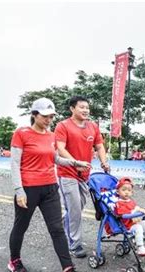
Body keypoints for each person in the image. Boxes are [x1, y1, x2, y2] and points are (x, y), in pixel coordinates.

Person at [8, 98, 87, 272]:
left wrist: (75, 163)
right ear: (34, 115)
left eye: (51, 117)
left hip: (50, 187)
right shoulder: (21, 133)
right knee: (21, 226)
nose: (48, 120)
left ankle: (68, 270)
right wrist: (19, 190)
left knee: (57, 229)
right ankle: (14, 261)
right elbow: (14, 164)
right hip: (28, 189)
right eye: (45, 116)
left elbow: (56, 159)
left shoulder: (50, 136)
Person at [55, 96, 110, 258]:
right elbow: (60, 148)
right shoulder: (63, 126)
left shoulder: (93, 126)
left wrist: (104, 162)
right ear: (72, 109)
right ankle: (74, 244)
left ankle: (62, 232)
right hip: (67, 174)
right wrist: (74, 162)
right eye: (82, 107)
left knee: (77, 208)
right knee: (75, 210)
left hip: (85, 175)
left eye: (87, 107)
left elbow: (99, 146)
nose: (86, 110)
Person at [114, 177, 145, 256]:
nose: (127, 192)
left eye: (129, 190)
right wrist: (136, 212)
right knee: (139, 228)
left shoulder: (130, 201)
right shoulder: (119, 203)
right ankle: (140, 247)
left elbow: (136, 208)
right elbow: (124, 215)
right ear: (118, 191)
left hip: (134, 222)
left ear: (132, 192)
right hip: (127, 225)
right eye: (124, 190)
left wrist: (143, 211)